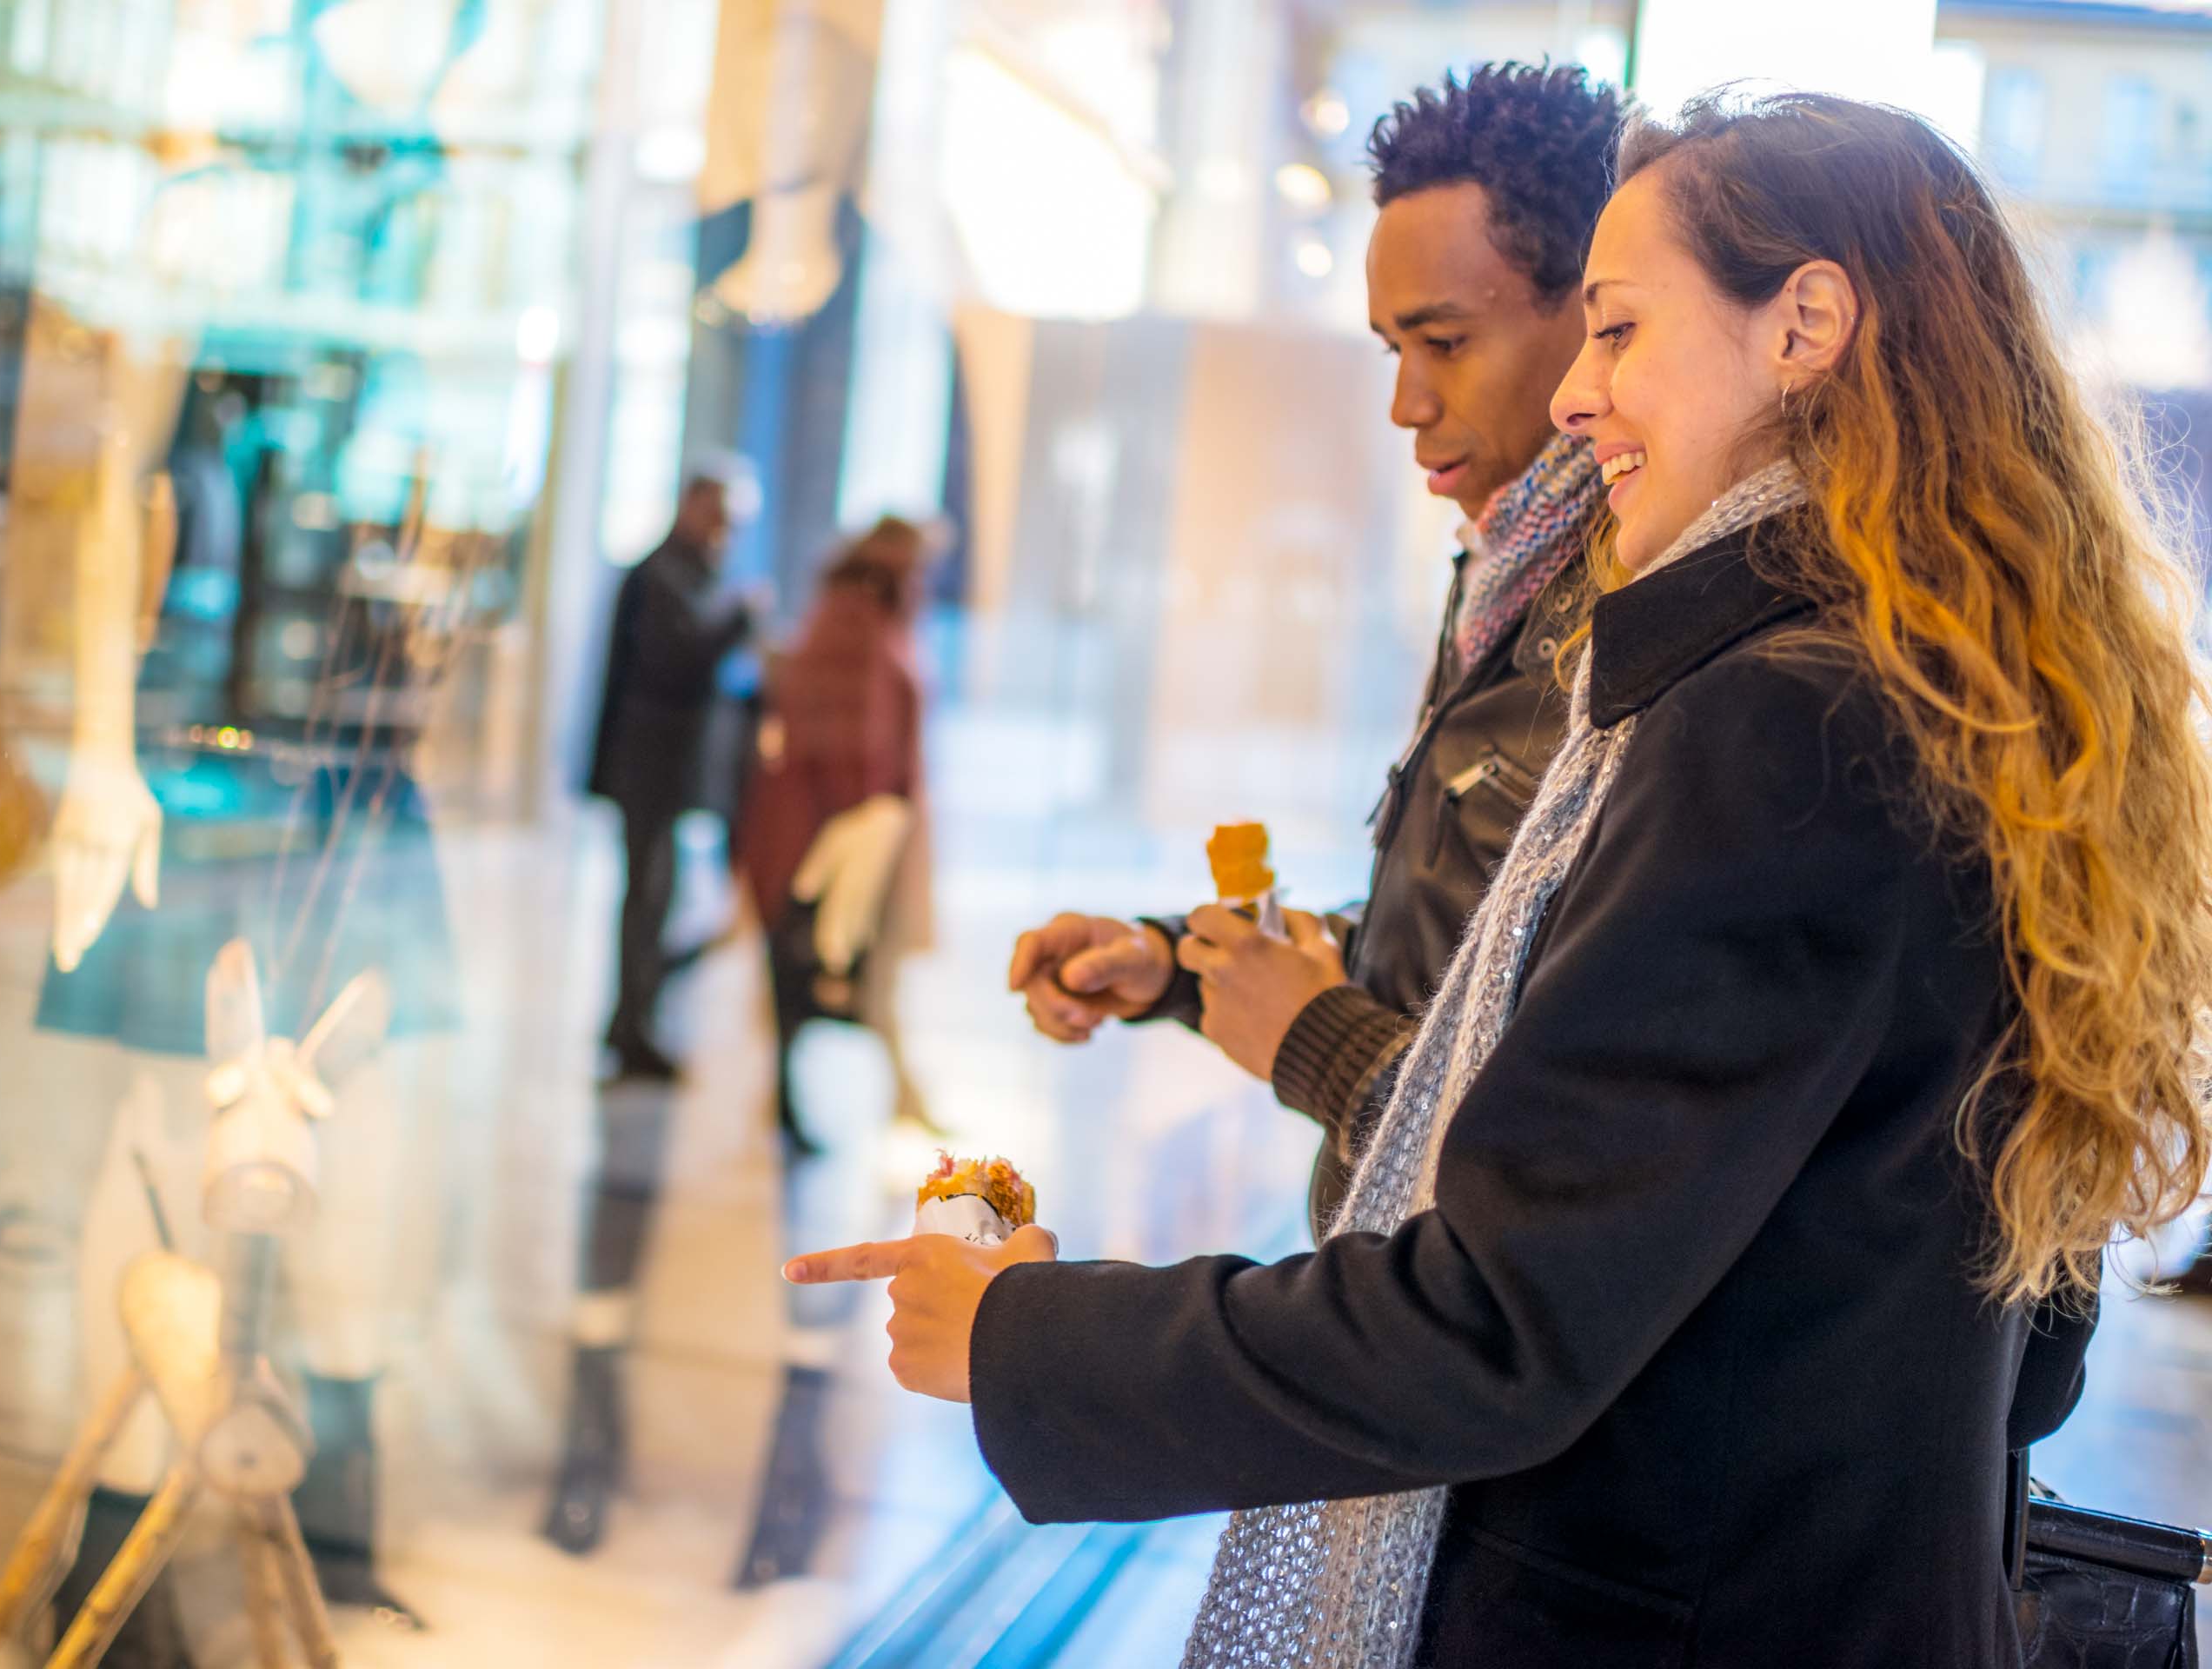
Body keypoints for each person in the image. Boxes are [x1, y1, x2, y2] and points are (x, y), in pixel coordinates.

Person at [792, 91, 2212, 1666]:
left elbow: (1496, 1320)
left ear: (1806, 320)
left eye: (1613, 330)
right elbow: (2031, 1349)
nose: (1581, 397)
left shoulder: (1779, 719)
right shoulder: (1946, 688)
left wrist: (1024, 1339)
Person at [1006, 63, 1625, 1224]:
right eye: (1392, 346)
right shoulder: (1513, 569)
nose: (1404, 402)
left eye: (1443, 341)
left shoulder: (1641, 617)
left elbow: (1572, 1160)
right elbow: (1449, 957)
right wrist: (1179, 965)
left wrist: (1311, 1041)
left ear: (1599, 318)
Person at [735, 515, 939, 1153]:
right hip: (832, 841)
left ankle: (895, 1099)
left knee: (842, 976)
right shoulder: (852, 624)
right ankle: (880, 1100)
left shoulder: (866, 620)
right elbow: (845, 749)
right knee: (818, 972)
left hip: (851, 835)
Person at [588, 462, 765, 1081]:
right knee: (648, 899)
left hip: (669, 766)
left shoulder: (689, 572)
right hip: (648, 765)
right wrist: (739, 619)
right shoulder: (660, 573)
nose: (726, 531)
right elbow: (676, 659)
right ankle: (631, 1026)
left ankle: (634, 1018)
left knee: (662, 901)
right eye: (720, 516)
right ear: (693, 505)